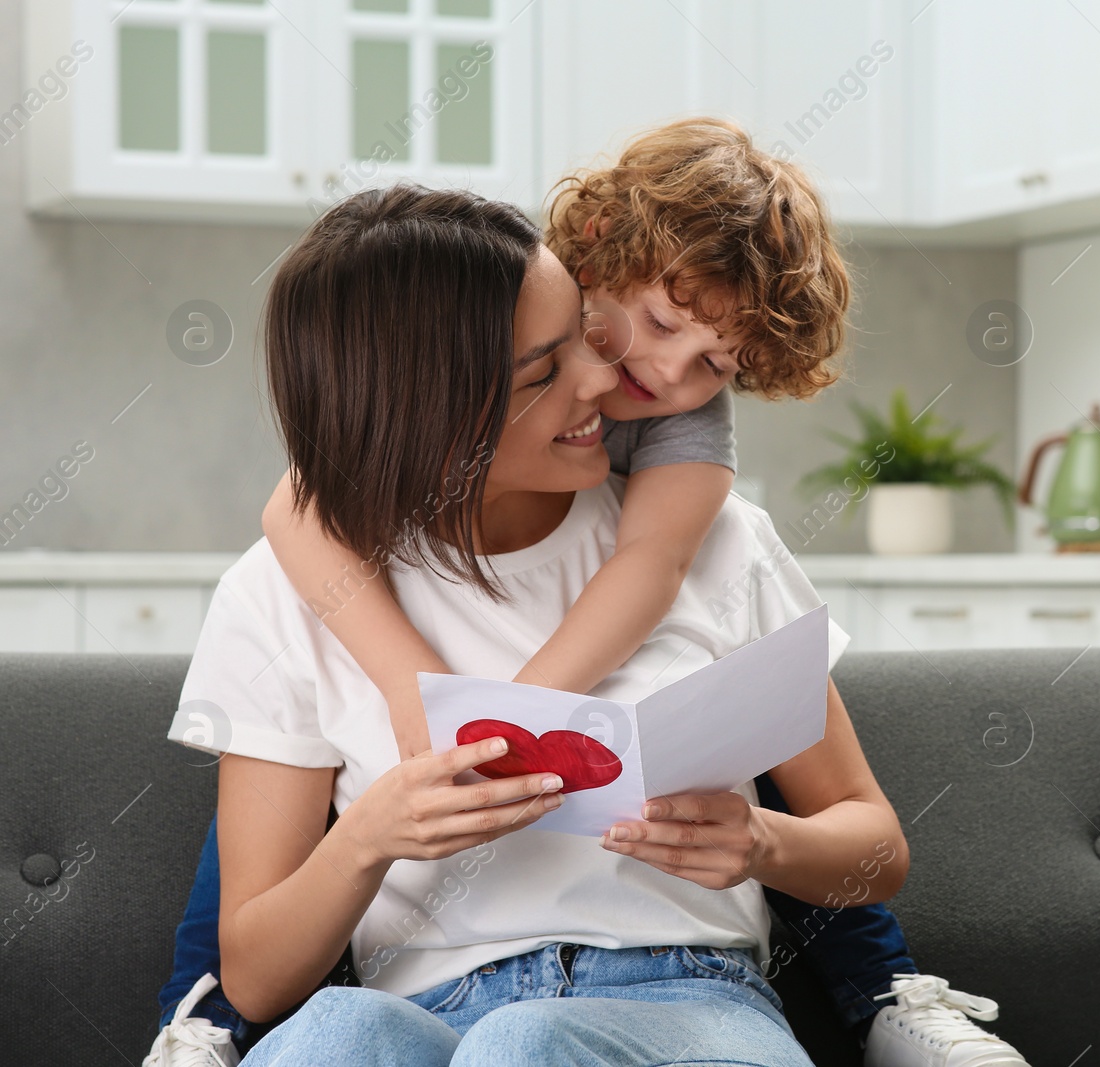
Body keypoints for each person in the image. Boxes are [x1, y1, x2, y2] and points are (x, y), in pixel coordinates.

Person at [145, 124, 1031, 1067]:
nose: (616, 378)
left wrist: (761, 841)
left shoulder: (713, 523)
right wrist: (365, 836)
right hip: (428, 1003)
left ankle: (884, 991)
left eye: (582, 343)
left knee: (527, 1044)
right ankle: (193, 1029)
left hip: (687, 997)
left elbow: (869, 838)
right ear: (436, 408)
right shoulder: (289, 583)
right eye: (549, 364)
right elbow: (261, 972)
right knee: (338, 1031)